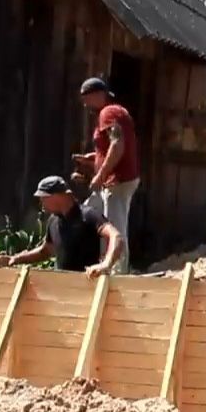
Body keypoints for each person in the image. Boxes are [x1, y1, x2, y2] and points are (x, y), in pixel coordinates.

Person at [73, 76, 139, 274]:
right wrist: (92, 158)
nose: (85, 105)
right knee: (88, 213)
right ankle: (84, 261)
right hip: (112, 180)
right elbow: (110, 148)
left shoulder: (108, 113)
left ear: (98, 95)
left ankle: (118, 273)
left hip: (116, 181)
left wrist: (100, 174)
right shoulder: (115, 112)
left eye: (86, 99)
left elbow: (118, 146)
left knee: (115, 229)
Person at [0, 176, 123, 278]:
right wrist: (15, 259)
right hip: (61, 286)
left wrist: (106, 264)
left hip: (86, 284)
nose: (41, 204)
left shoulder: (88, 215)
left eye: (43, 199)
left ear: (58, 196)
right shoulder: (53, 221)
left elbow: (115, 236)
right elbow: (45, 251)